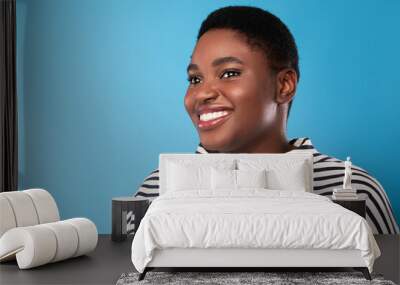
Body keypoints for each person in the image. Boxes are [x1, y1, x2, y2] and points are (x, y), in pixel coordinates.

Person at [134, 6, 399, 234]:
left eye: (229, 73)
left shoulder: (356, 188)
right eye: (195, 79)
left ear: (284, 85)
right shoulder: (156, 189)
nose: (201, 93)